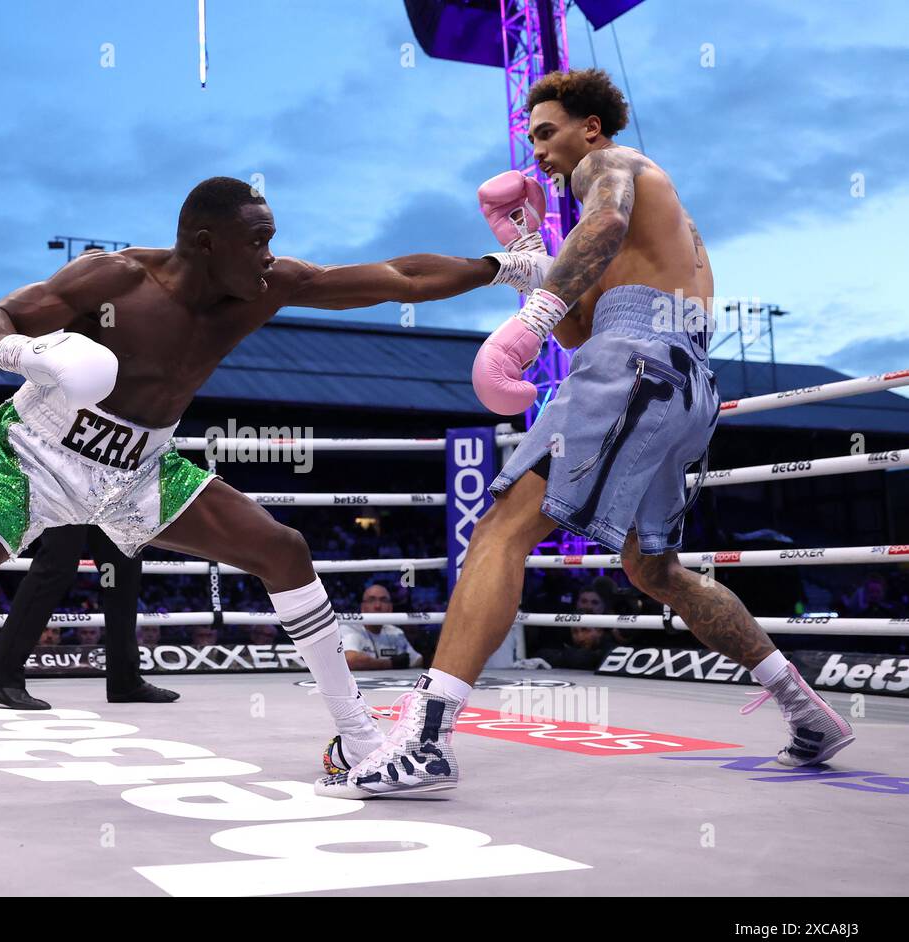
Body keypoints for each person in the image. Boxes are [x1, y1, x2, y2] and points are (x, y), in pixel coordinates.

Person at [0, 175, 514, 804]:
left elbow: (395, 277)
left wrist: (499, 266)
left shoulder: (269, 288)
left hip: (142, 467)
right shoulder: (113, 279)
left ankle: (360, 746)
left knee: (282, 549)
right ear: (204, 240)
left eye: (271, 236)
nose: (270, 250)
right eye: (255, 236)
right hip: (36, 458)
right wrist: (28, 356)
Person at [320, 68, 854, 799]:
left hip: (632, 365)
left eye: (546, 132)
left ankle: (427, 739)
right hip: (682, 381)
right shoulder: (655, 221)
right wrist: (531, 249)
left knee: (500, 529)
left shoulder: (610, 167)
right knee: (655, 571)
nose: (537, 150)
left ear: (590, 128)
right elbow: (587, 318)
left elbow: (598, 241)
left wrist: (528, 320)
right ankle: (807, 711)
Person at [0, 524, 175, 710]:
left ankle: (124, 679)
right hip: (69, 490)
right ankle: (0, 676)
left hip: (110, 492)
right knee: (57, 563)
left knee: (120, 567)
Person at [342, 583, 423, 671]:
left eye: (383, 600)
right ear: (363, 608)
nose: (378, 606)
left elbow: (417, 660)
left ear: (390, 608)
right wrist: (391, 663)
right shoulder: (350, 629)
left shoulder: (395, 633)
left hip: (391, 683)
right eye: (371, 600)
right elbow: (350, 660)